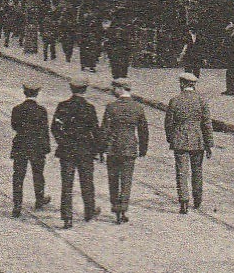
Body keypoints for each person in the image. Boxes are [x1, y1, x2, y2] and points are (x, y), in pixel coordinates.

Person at [51, 77, 102, 229]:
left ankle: (67, 217)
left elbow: (55, 128)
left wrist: (63, 142)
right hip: (85, 150)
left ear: (71, 88)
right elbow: (95, 131)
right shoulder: (89, 108)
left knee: (67, 184)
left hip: (67, 151)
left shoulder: (63, 106)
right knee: (87, 182)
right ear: (85, 89)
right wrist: (97, 149)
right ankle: (89, 211)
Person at [100, 78, 149, 224]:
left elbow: (105, 130)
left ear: (120, 89)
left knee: (113, 179)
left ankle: (116, 207)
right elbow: (143, 131)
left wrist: (101, 148)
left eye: (114, 88)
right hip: (129, 148)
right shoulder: (138, 107)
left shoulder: (111, 107)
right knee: (126, 180)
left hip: (113, 148)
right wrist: (143, 148)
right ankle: (123, 209)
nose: (112, 91)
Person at [165, 71, 213, 214]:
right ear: (193, 85)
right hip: (198, 140)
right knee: (197, 170)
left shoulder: (175, 100)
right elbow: (207, 124)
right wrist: (209, 144)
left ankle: (184, 202)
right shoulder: (201, 101)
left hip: (180, 140)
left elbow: (168, 123)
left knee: (181, 171)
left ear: (182, 84)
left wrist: (171, 138)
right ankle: (197, 199)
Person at [9, 84, 52, 217]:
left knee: (18, 176)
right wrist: (46, 148)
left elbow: (14, 126)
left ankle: (17, 205)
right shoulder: (41, 110)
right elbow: (45, 130)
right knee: (38, 174)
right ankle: (39, 199)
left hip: (21, 145)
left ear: (24, 92)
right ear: (37, 93)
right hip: (37, 146)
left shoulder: (17, 109)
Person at [105, 17, 132, 82]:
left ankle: (118, 77)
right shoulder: (125, 27)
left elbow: (108, 38)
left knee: (117, 63)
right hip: (119, 47)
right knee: (120, 63)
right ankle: (120, 77)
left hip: (118, 47)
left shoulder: (113, 28)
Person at [221, 22, 234, 96]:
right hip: (229, 57)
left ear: (232, 29)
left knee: (233, 73)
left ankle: (233, 89)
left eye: (229, 30)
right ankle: (229, 89)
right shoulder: (229, 37)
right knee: (229, 73)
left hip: (233, 57)